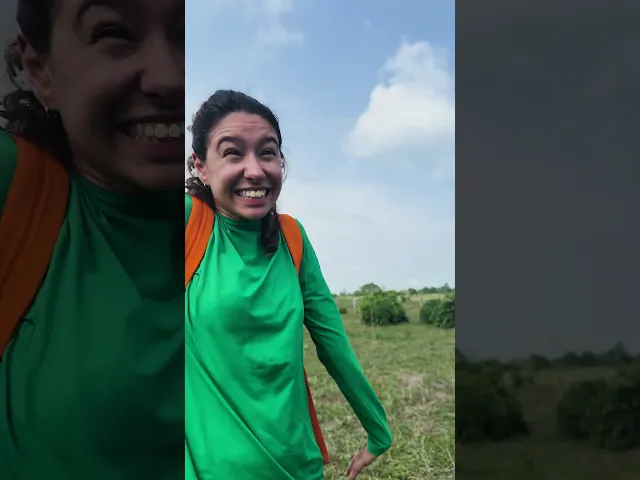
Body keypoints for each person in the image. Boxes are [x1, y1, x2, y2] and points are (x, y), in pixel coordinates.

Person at [0, 0, 184, 478]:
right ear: (41, 71)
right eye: (112, 32)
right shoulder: (15, 191)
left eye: (188, 35)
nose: (169, 78)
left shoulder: (253, 227)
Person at [184, 89, 393, 480]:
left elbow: (332, 342)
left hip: (297, 463)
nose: (255, 170)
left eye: (267, 152)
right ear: (201, 167)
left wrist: (377, 428)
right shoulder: (188, 225)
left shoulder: (292, 237)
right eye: (232, 153)